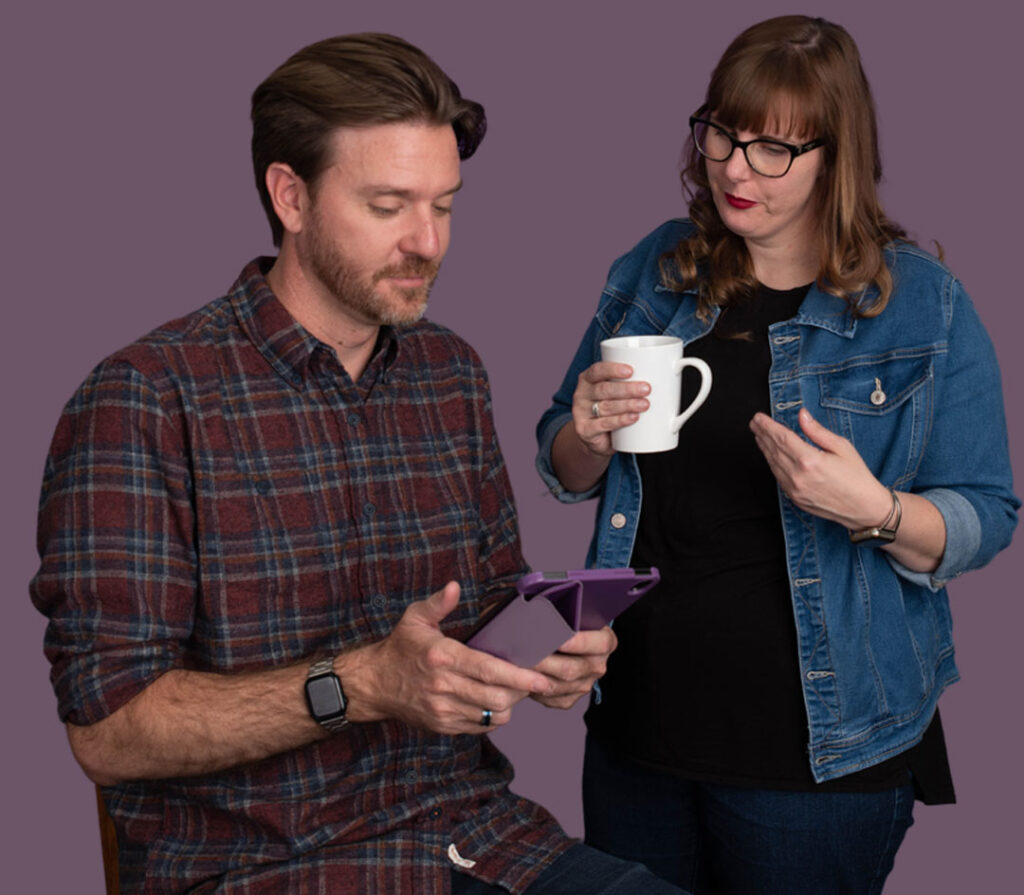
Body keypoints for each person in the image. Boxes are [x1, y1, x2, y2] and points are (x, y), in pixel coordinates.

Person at [30, 33, 688, 895]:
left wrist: (543, 657)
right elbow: (108, 729)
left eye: (445, 205)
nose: (428, 242)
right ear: (290, 196)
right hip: (262, 867)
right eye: (388, 206)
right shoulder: (146, 399)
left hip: (477, 836)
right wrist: (361, 683)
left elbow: (488, 609)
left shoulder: (450, 373)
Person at [535, 15, 1017, 895]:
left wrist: (873, 508)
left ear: (837, 156)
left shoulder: (923, 306)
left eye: (773, 149)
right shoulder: (656, 270)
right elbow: (566, 465)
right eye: (721, 133)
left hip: (818, 763)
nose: (733, 168)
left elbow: (989, 515)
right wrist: (585, 431)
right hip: (635, 734)